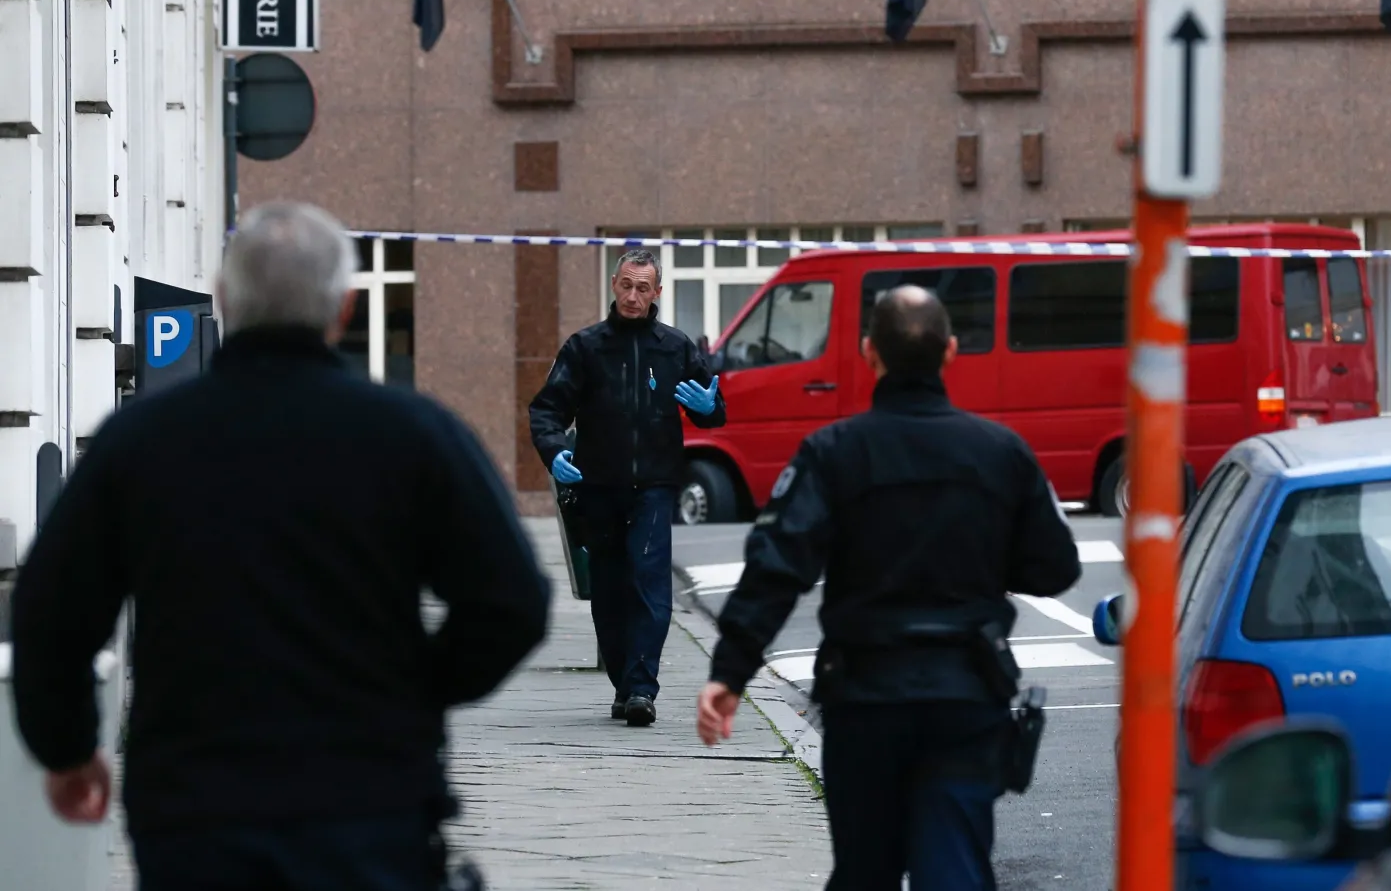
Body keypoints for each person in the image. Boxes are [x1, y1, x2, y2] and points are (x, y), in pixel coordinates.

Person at [9, 201, 552, 891]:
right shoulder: (412, 436)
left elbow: (50, 611)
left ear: (223, 298)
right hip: (367, 797)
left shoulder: (140, 442)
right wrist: (417, 688)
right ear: (344, 309)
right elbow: (513, 601)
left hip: (195, 807)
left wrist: (68, 747)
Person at [694, 285, 1082, 890]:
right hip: (965, 694)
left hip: (865, 697)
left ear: (870, 353)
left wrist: (730, 672)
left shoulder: (833, 453)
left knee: (866, 870)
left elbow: (778, 564)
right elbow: (1055, 567)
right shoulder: (1000, 453)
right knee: (953, 866)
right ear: (950, 352)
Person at [529, 248, 725, 727]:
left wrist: (708, 405)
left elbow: (713, 407)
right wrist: (555, 452)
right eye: (626, 286)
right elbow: (547, 410)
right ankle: (624, 683)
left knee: (649, 582)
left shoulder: (675, 347)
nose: (633, 297)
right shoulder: (586, 348)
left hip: (655, 486)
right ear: (613, 284)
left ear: (658, 292)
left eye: (643, 288)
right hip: (599, 486)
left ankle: (641, 687)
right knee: (612, 590)